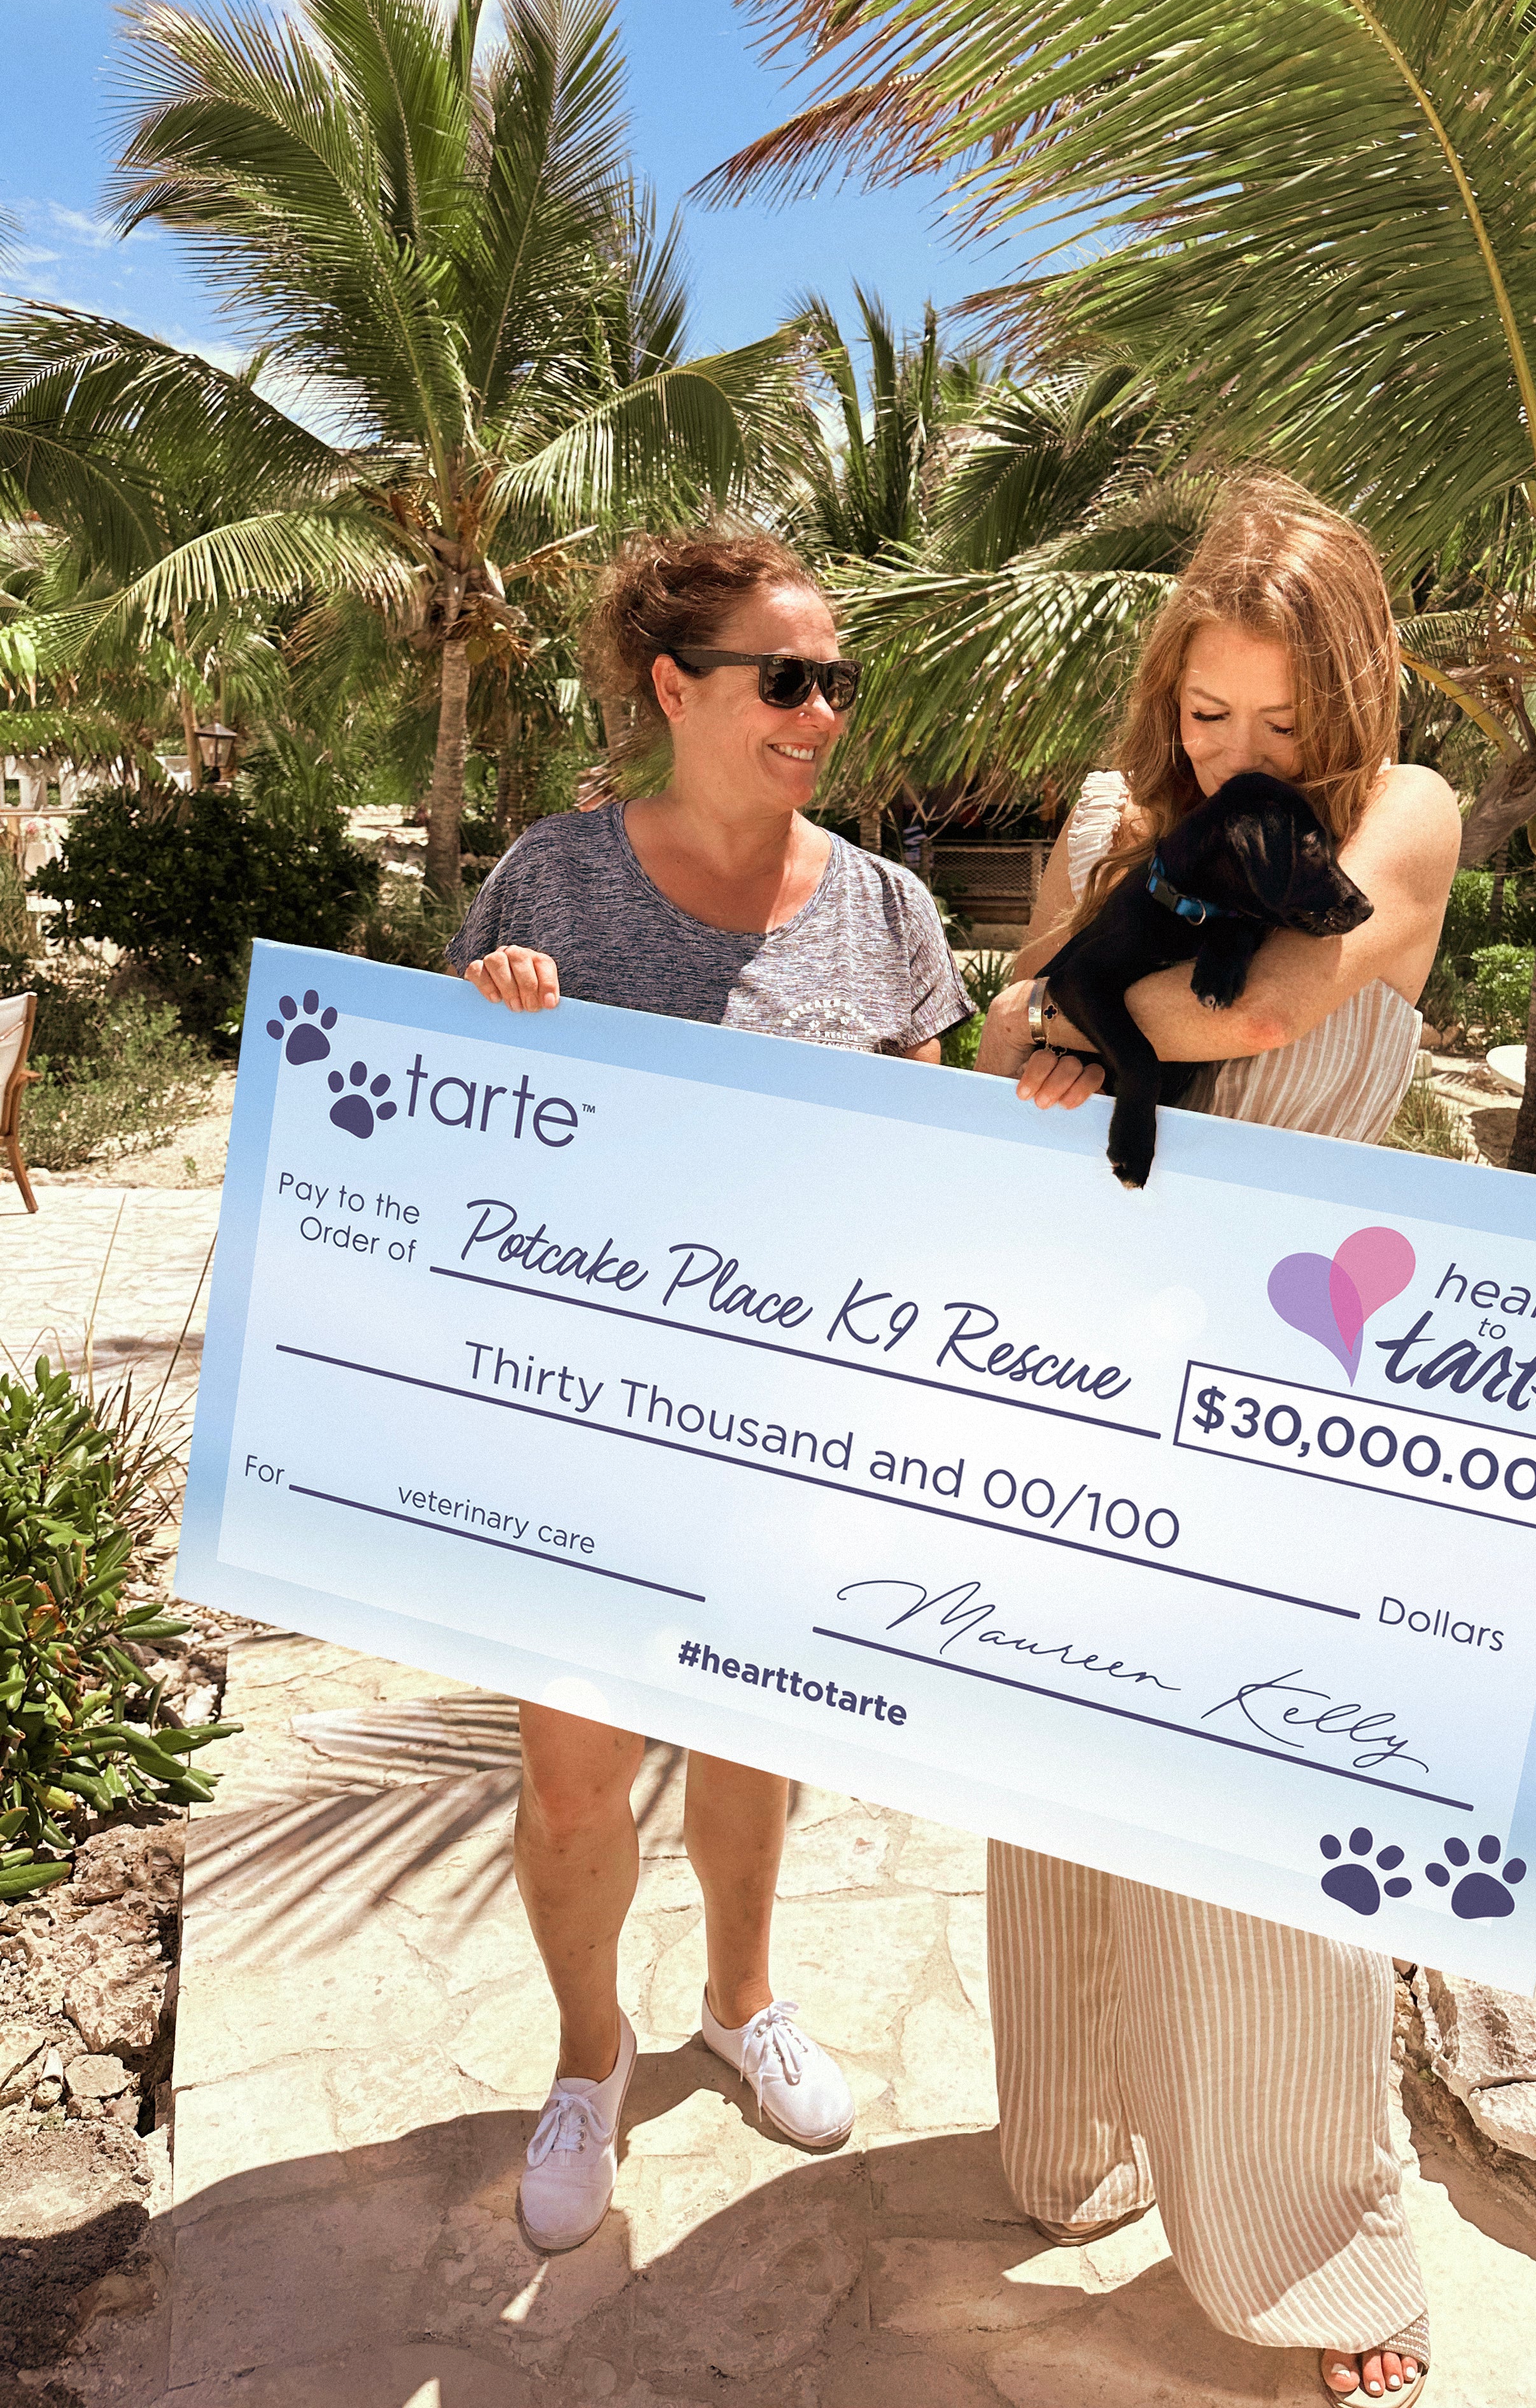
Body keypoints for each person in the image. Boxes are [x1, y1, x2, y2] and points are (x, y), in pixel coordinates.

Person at [973, 477, 1460, 2404]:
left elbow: (1268, 987)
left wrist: (1089, 1014)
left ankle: (1311, 2250)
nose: (1239, 753)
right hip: (1094, 1337)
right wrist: (1059, 1013)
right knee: (1067, 1764)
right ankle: (1083, 2129)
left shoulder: (1400, 816)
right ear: (1166, 698)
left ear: (1347, 701)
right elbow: (1018, 1021)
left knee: (1268, 1827)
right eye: (1207, 717)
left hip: (1294, 1382)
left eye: (1279, 723)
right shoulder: (1113, 820)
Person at [446, 527, 971, 2254]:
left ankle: (740, 2005)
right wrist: (494, 1025)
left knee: (756, 1740)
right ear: (676, 687)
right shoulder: (553, 884)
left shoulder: (892, 912)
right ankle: (591, 2058)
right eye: (785, 679)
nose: (822, 712)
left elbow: (942, 1173)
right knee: (578, 1772)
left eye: (835, 680)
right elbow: (470, 1155)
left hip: (796, 1425)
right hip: (584, 1422)